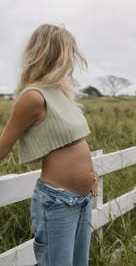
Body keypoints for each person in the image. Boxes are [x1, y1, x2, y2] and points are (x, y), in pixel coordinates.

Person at [0, 24, 98, 266]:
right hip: (57, 203)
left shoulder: (60, 93)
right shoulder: (33, 97)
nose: (72, 62)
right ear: (52, 54)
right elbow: (3, 147)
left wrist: (90, 173)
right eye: (69, 54)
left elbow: (74, 142)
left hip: (81, 200)